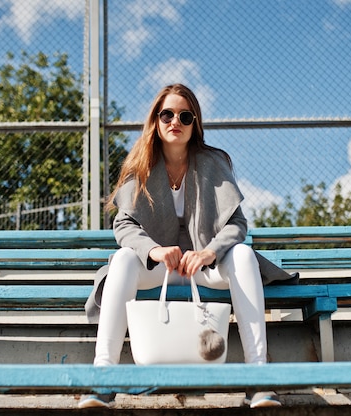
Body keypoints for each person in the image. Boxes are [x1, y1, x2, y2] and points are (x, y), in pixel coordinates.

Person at [81, 84, 297, 409]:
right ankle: (103, 378)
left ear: (195, 123)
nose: (175, 121)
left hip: (203, 269)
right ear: (156, 119)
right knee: (124, 260)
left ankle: (258, 379)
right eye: (167, 114)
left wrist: (209, 252)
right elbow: (123, 225)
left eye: (185, 115)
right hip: (158, 270)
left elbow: (237, 225)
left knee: (241, 253)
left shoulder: (213, 162)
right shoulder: (140, 164)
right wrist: (153, 250)